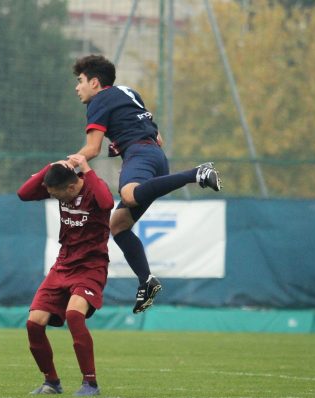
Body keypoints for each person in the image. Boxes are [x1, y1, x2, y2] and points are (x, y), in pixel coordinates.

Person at [67, 55, 222, 314]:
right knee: (117, 225)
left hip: (139, 154)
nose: (77, 87)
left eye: (80, 81)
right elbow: (157, 136)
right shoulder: (129, 92)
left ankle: (197, 173)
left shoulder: (98, 101)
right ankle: (147, 281)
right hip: (156, 156)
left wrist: (65, 165)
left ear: (94, 83)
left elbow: (92, 149)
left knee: (129, 194)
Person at [18, 154, 114, 397]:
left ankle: (90, 383)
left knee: (73, 314)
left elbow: (107, 203)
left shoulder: (93, 187)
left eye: (56, 194)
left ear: (72, 186)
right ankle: (51, 382)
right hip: (63, 265)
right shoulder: (62, 186)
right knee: (34, 324)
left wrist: (85, 167)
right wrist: (52, 165)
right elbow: (24, 193)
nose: (54, 197)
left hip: (91, 267)